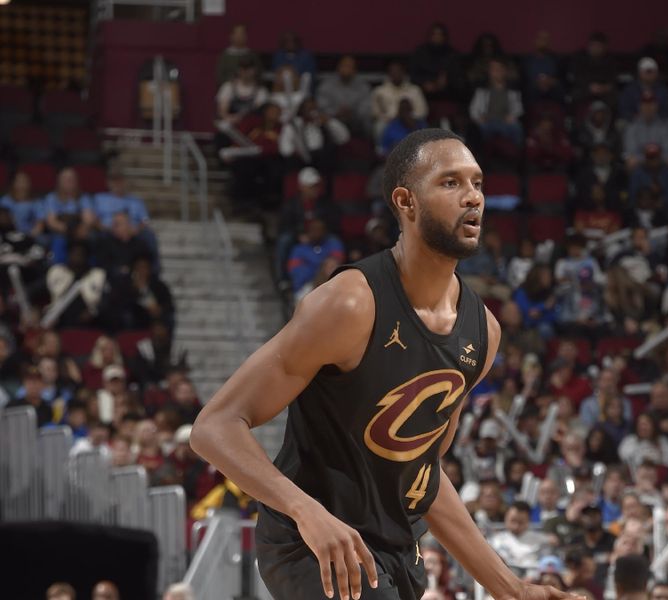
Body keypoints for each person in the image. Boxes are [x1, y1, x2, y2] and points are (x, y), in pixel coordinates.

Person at [190, 129, 581, 600]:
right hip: (315, 544)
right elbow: (214, 427)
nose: (473, 197)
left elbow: (424, 473)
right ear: (406, 201)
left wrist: (512, 588)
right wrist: (305, 511)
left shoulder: (484, 332)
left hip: (398, 553)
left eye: (477, 183)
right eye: (451, 183)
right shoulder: (350, 304)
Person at [469, 59, 524, 147]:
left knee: (517, 127)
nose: (496, 72)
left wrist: (512, 116)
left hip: (505, 122)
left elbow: (518, 108)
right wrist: (479, 119)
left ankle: (517, 156)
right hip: (488, 122)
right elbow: (473, 109)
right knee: (479, 130)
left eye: (499, 69)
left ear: (504, 71)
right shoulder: (482, 91)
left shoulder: (512, 91)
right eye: (493, 70)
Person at [371, 61, 429, 141]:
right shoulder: (380, 91)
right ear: (389, 73)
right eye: (393, 71)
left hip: (411, 121)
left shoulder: (414, 90)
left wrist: (408, 117)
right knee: (379, 126)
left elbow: (423, 111)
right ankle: (381, 151)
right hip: (389, 121)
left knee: (423, 126)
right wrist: (389, 117)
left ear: (403, 72)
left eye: (398, 71)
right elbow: (375, 112)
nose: (396, 74)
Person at [316, 55, 372, 136]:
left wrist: (352, 113)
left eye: (350, 67)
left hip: (355, 121)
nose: (346, 69)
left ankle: (368, 147)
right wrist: (336, 112)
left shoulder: (363, 86)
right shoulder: (326, 85)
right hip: (333, 120)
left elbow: (366, 107)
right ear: (338, 67)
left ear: (355, 70)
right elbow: (321, 106)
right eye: (344, 66)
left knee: (367, 120)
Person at [619, 57, 668, 121]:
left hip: (659, 122)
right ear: (640, 72)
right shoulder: (629, 90)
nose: (649, 74)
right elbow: (623, 110)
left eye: (652, 71)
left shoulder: (663, 90)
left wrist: (655, 118)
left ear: (657, 73)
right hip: (634, 121)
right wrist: (635, 117)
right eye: (647, 71)